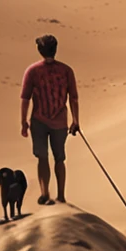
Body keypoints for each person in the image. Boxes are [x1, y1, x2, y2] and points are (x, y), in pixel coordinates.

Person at [20, 34, 79, 205]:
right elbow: (73, 98)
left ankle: (45, 193)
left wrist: (23, 121)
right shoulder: (66, 70)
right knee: (59, 158)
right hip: (60, 121)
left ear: (40, 50)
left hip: (39, 120)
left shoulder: (32, 71)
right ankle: (60, 195)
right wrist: (76, 121)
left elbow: (25, 98)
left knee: (43, 158)